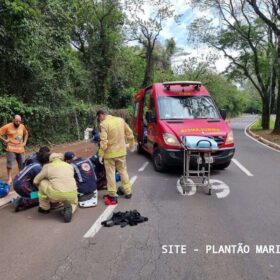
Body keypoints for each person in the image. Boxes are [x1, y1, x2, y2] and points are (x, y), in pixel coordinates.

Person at [96, 109, 135, 205]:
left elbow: (104, 142)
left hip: (109, 155)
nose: (99, 120)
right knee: (123, 171)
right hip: (121, 153)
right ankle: (128, 191)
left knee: (110, 174)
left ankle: (112, 194)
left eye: (99, 118)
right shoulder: (120, 120)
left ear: (102, 114)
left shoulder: (104, 124)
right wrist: (131, 145)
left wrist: (100, 154)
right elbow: (129, 132)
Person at [33, 153, 78, 223]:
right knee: (74, 201)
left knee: (42, 182)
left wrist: (37, 191)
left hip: (55, 194)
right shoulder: (69, 166)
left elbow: (35, 181)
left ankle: (44, 208)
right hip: (72, 193)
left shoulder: (47, 167)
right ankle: (71, 209)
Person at [12, 147, 50, 212]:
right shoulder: (38, 167)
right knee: (41, 197)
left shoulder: (35, 163)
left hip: (19, 181)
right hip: (21, 185)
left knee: (37, 192)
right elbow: (39, 182)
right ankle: (21, 202)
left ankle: (25, 197)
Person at [0, 115, 28, 184]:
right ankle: (9, 178)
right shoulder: (7, 126)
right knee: (9, 165)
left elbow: (26, 133)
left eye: (19, 121)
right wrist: (5, 140)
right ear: (13, 120)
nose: (18, 123)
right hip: (11, 149)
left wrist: (24, 142)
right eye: (16, 121)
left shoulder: (22, 126)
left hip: (21, 149)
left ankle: (21, 177)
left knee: (22, 165)